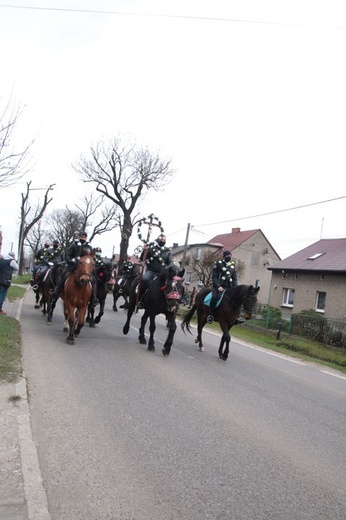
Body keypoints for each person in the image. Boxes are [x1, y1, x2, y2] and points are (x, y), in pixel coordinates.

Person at [50, 231, 99, 308]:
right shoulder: (73, 245)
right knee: (63, 275)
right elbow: (67, 255)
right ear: (79, 237)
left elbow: (90, 257)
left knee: (93, 279)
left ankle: (94, 299)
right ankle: (56, 292)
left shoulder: (88, 247)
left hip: (84, 268)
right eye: (82, 237)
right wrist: (72, 260)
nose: (83, 238)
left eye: (85, 237)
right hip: (72, 266)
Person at [138, 234, 174, 307]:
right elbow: (142, 259)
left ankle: (169, 302)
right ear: (158, 240)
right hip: (151, 270)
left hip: (162, 272)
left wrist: (169, 267)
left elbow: (170, 262)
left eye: (164, 240)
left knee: (171, 283)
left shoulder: (167, 251)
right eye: (162, 240)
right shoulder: (151, 249)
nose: (163, 241)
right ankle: (141, 299)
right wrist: (144, 250)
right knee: (144, 279)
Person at [207, 250, 238, 324]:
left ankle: (236, 316)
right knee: (214, 297)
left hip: (229, 287)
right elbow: (214, 277)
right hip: (219, 286)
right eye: (228, 256)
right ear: (224, 256)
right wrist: (218, 286)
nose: (229, 257)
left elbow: (234, 278)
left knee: (236, 299)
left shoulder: (233, 266)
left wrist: (235, 287)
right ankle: (210, 315)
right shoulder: (218, 264)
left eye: (230, 256)